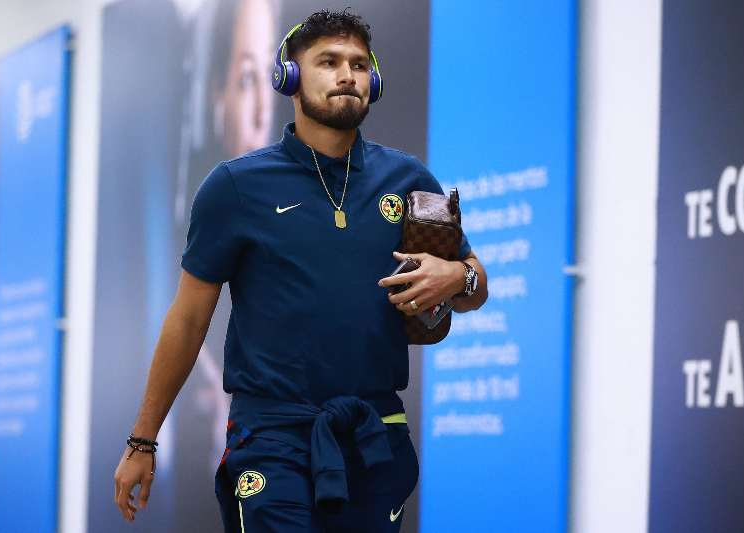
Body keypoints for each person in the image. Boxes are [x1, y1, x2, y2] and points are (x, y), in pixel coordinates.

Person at [113, 9, 488, 532]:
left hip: (375, 436)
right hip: (272, 438)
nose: (346, 75)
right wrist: (142, 440)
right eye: (328, 62)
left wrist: (458, 277)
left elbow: (473, 282)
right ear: (288, 77)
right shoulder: (236, 187)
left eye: (359, 65)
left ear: (373, 82)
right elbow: (188, 320)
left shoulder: (409, 179)